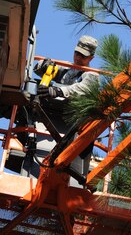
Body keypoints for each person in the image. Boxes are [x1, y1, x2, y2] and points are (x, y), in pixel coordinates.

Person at [20, 35, 99, 185]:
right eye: (77, 53)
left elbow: (82, 89)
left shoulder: (92, 75)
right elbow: (44, 70)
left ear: (91, 58)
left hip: (73, 125)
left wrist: (58, 91)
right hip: (49, 118)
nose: (78, 57)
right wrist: (44, 64)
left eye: (83, 56)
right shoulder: (69, 70)